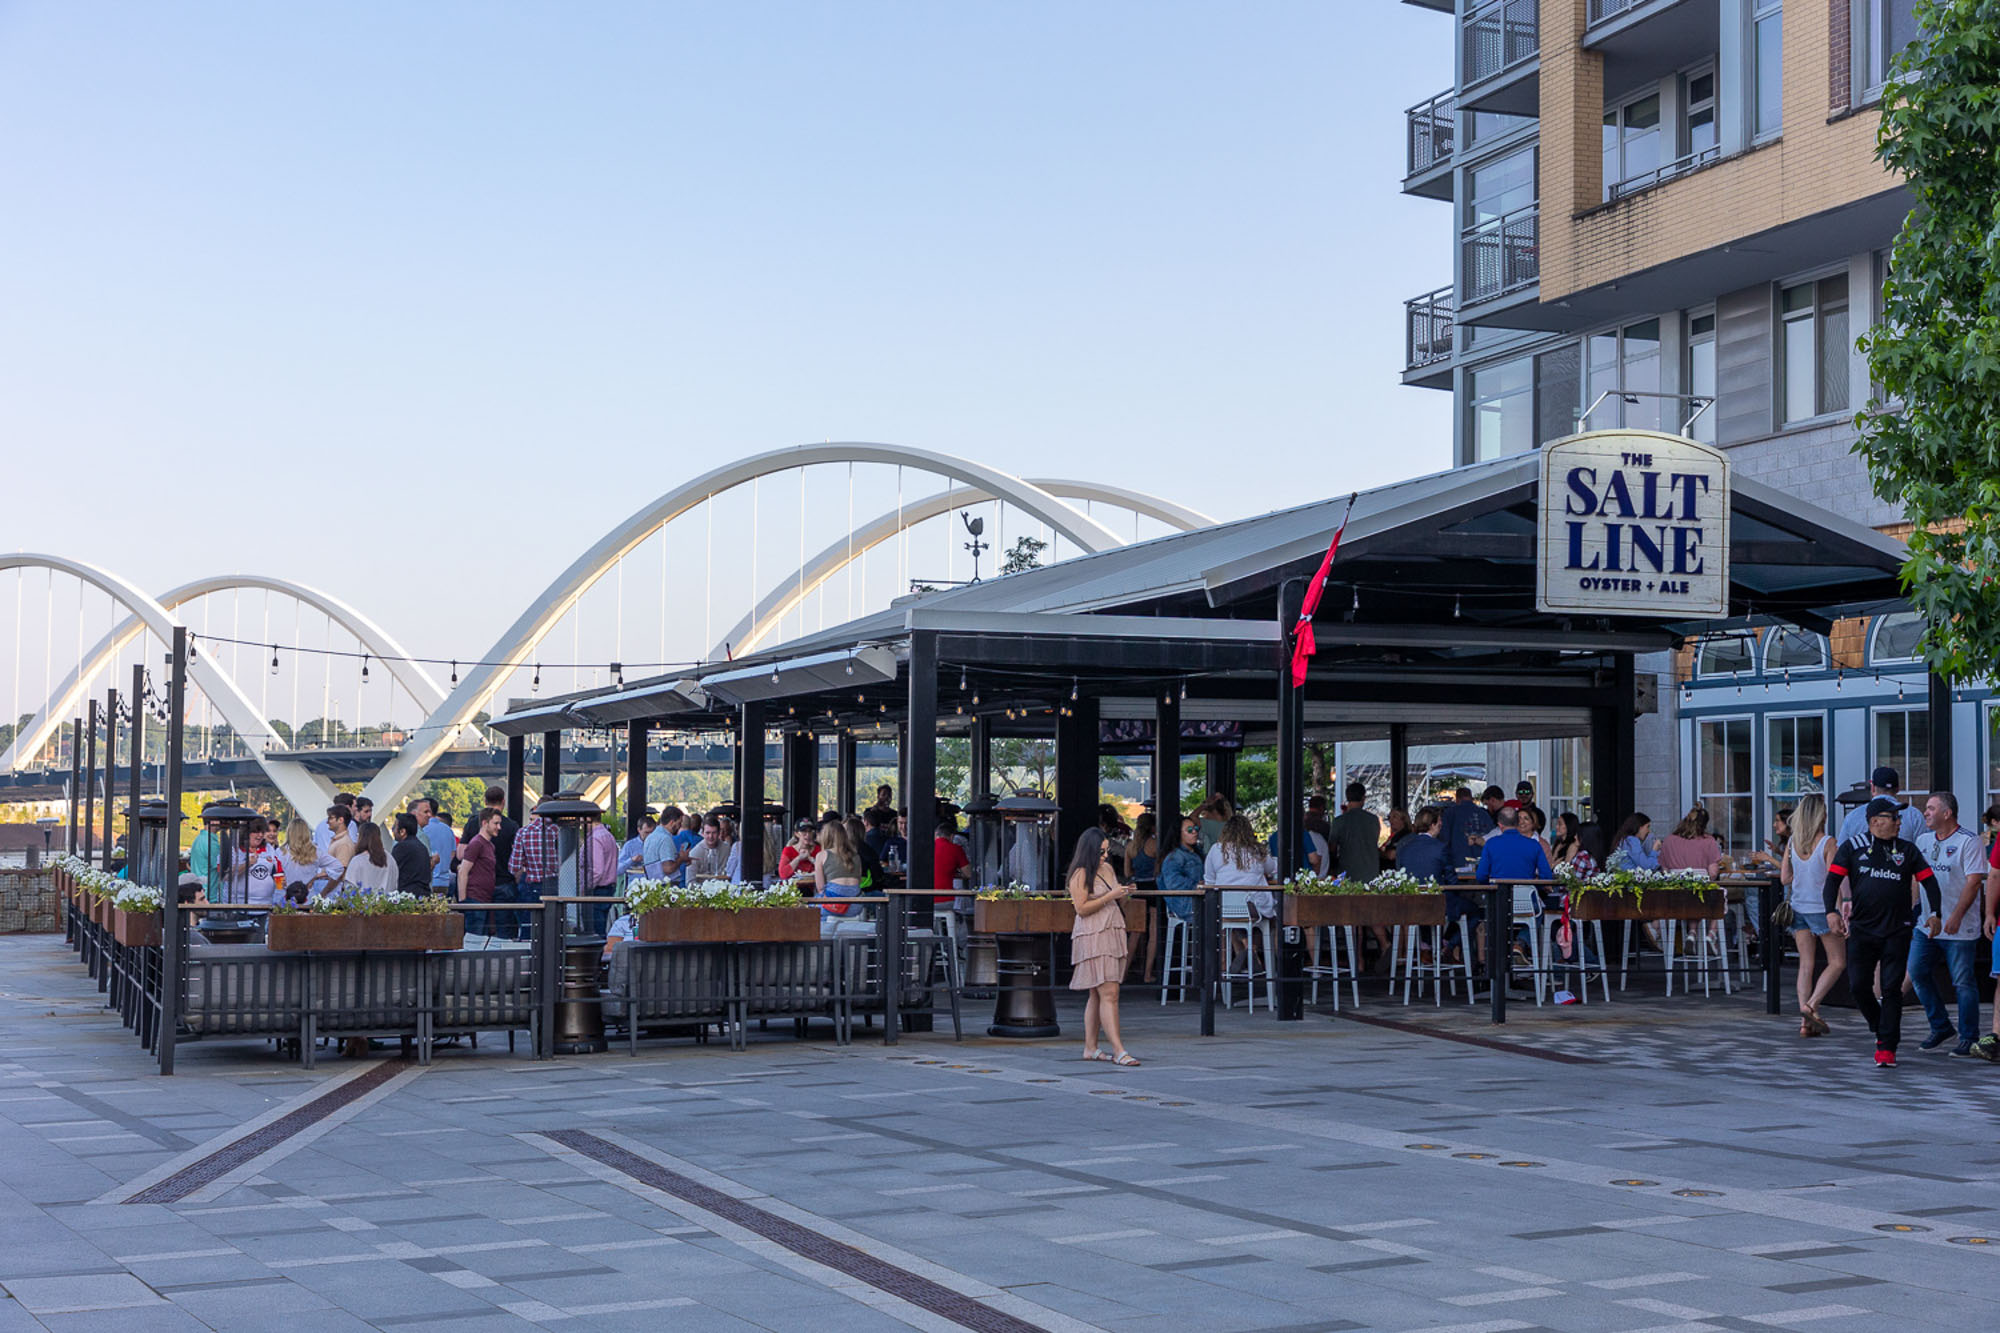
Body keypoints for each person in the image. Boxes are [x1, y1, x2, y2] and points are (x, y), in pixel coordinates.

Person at [1822, 795, 1943, 1067]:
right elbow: (1832, 881)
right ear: (1875, 822)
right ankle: (1880, 1025)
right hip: (1862, 929)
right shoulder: (1853, 847)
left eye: (1899, 817)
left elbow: (1930, 882)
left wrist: (1935, 913)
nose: (1900, 822)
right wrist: (1830, 911)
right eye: (1894, 818)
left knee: (1891, 989)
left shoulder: (1908, 850)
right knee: (1858, 986)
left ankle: (1887, 1047)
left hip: (1897, 930)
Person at [1910, 791, 1986, 1056]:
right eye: (1925, 808)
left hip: (1959, 926)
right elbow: (1917, 877)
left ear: (1947, 813)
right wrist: (1913, 907)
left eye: (1931, 808)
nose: (1925, 813)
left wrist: (1955, 916)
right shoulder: (1922, 840)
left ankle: (1968, 1035)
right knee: (1917, 972)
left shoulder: (1969, 841)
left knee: (1962, 981)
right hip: (1927, 923)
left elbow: (1974, 881)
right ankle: (1940, 1025)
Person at [1067, 828, 1139, 1066]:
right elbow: (1081, 908)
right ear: (1089, 850)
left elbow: (1117, 898)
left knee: (1098, 994)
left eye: (1107, 851)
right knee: (1109, 993)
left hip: (1111, 929)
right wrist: (1111, 897)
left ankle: (1091, 1047)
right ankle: (1119, 1050)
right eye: (1101, 851)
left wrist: (1124, 893)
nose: (1105, 856)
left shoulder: (1107, 869)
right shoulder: (1080, 874)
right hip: (1093, 933)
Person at [1782, 794, 1841, 1036]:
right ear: (1821, 815)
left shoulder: (1792, 842)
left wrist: (1802, 877)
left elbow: (1785, 878)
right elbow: (1833, 881)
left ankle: (1805, 1023)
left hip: (1798, 907)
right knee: (1837, 962)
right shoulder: (1828, 843)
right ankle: (1812, 1005)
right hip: (1821, 908)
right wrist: (1837, 910)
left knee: (1805, 964)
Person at [1204, 814, 1276, 921]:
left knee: (1229, 923)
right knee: (1272, 920)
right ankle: (1250, 937)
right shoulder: (1256, 850)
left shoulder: (1216, 849)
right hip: (1254, 907)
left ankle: (1239, 937)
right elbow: (1271, 868)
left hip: (1224, 907)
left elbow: (1209, 881)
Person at [462, 786, 519, 911]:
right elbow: (517, 857)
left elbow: (461, 854)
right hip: (504, 881)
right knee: (505, 927)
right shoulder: (511, 825)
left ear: (485, 801)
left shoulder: (472, 823)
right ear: (503, 801)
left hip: (478, 885)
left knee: (479, 927)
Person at [507, 807, 559, 940]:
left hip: (533, 886)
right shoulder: (558, 831)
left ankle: (530, 957)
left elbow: (514, 866)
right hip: (555, 885)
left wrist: (526, 864)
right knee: (553, 927)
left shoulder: (523, 832)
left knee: (529, 927)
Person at [1838, 766, 1926, 844]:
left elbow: (1840, 853)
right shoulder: (1914, 815)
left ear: (1872, 788)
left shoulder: (1852, 816)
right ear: (1898, 789)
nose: (1898, 822)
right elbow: (1923, 849)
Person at [458, 808, 503, 937]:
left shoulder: (489, 845)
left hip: (484, 900)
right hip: (474, 900)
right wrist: (463, 902)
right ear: (484, 823)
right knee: (474, 940)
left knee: (479, 940)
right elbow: (463, 871)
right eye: (495, 823)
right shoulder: (476, 843)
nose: (499, 827)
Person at [279, 817, 344, 902]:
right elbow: (338, 867)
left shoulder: (280, 852)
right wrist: (317, 877)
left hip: (286, 899)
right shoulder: (315, 851)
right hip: (308, 898)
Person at [1328, 783, 1382, 883]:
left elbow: (1332, 847)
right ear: (1363, 797)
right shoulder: (1373, 820)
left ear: (1347, 797)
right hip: (1371, 872)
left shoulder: (1339, 821)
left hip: (1347, 872)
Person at [813, 818, 865, 920]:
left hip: (832, 905)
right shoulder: (856, 855)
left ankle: (824, 935)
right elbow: (858, 881)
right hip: (855, 905)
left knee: (813, 908)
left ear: (826, 837)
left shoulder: (822, 855)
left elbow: (820, 888)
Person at [1437, 787, 1494, 873]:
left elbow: (1444, 839)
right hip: (1483, 862)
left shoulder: (1450, 813)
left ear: (1457, 799)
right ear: (1471, 798)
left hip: (1459, 863)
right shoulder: (1484, 814)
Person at [584, 817, 621, 934]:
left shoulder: (595, 839)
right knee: (602, 928)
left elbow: (597, 870)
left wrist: (585, 887)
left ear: (588, 819)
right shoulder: (608, 836)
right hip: (609, 887)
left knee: (594, 931)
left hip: (597, 889)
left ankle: (596, 952)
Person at [413, 798, 455, 896]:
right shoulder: (448, 830)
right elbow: (453, 854)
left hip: (427, 882)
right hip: (444, 882)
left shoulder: (422, 830)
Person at [343, 820, 395, 894]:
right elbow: (394, 883)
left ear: (361, 837)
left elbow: (350, 888)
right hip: (386, 903)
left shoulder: (357, 861)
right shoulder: (390, 859)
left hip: (362, 904)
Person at [933, 812, 971, 903]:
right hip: (946, 898)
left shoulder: (925, 848)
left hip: (924, 898)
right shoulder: (956, 849)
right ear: (952, 836)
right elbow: (968, 873)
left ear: (936, 834)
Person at [390, 813, 431, 895]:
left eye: (394, 827)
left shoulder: (401, 847)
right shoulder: (422, 847)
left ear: (402, 831)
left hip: (407, 896)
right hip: (424, 893)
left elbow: (392, 871)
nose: (392, 830)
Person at [687, 817, 728, 881]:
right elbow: (690, 881)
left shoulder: (727, 850)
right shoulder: (694, 853)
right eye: (707, 833)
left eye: (714, 833)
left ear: (719, 833)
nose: (711, 836)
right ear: (702, 833)